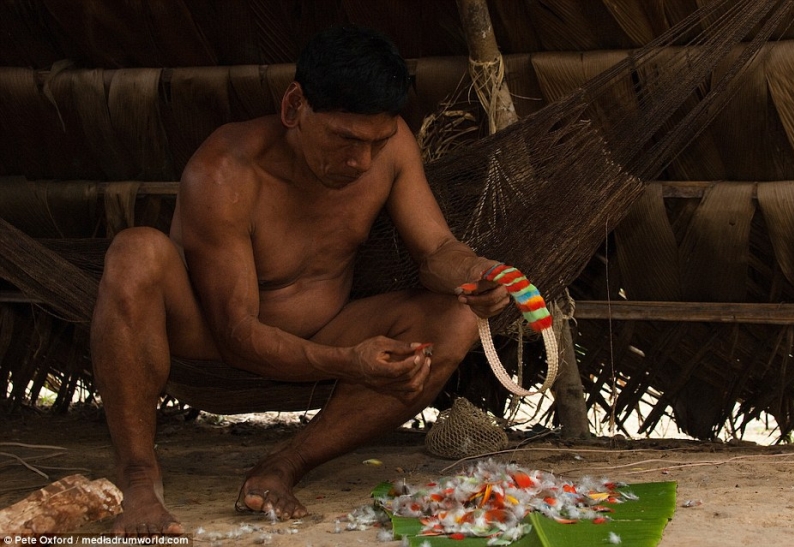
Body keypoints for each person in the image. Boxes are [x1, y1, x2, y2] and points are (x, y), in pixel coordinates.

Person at [90, 25, 509, 535]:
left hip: (325, 326)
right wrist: (347, 364)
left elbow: (437, 250)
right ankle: (137, 481)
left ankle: (283, 467)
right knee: (135, 252)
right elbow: (236, 333)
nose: (361, 162)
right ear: (294, 107)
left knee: (456, 315)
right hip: (210, 337)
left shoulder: (391, 148)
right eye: (345, 139)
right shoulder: (225, 171)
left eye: (376, 142)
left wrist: (476, 274)